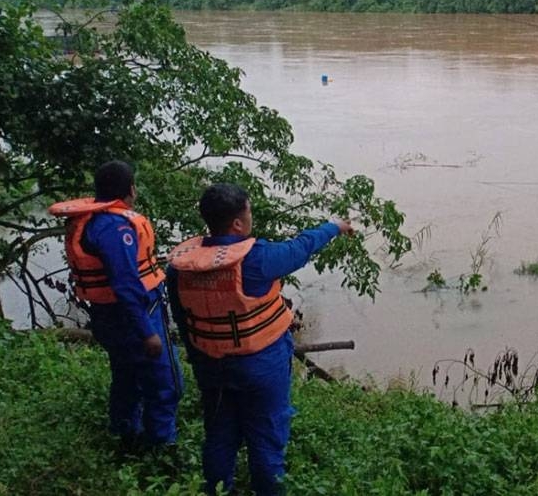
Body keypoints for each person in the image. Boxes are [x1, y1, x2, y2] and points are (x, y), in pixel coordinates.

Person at [166, 182, 353, 496]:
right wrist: (333, 226)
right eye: (249, 210)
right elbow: (302, 246)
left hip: (211, 364)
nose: (251, 216)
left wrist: (199, 360)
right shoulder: (258, 259)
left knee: (219, 435)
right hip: (261, 366)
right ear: (238, 223)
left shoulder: (181, 267)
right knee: (266, 439)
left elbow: (185, 321)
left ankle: (217, 491)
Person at [48, 160, 181, 451]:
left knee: (126, 375)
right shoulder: (114, 227)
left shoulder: (91, 222)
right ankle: (160, 447)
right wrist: (148, 332)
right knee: (165, 382)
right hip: (134, 315)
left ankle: (124, 436)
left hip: (106, 314)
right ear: (130, 190)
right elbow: (125, 284)